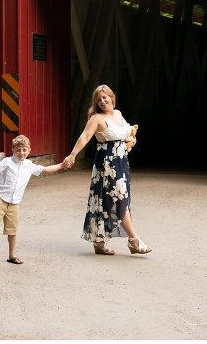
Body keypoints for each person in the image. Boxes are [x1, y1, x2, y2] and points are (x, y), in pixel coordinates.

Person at [62, 83, 151, 256]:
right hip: (107, 165)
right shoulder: (96, 118)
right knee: (119, 200)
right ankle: (134, 240)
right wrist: (73, 155)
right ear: (96, 103)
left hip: (121, 163)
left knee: (106, 201)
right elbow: (85, 136)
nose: (103, 101)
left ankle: (99, 242)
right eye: (99, 99)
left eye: (105, 97)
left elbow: (127, 134)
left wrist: (132, 141)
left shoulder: (118, 114)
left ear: (112, 97)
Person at [0, 133, 67, 265]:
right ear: (13, 150)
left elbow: (45, 170)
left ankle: (12, 255)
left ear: (29, 150)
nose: (21, 153)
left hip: (15, 202)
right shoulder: (7, 162)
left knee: (12, 230)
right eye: (18, 150)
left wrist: (61, 165)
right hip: (0, 198)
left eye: (24, 150)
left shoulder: (29, 165)